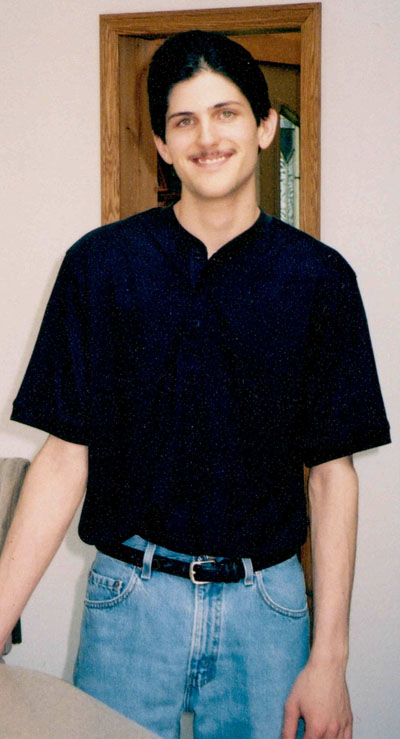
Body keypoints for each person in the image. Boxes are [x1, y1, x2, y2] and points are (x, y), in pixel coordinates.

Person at [1, 30, 390, 739]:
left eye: (226, 113)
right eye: (184, 120)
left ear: (266, 126)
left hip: (268, 612)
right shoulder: (101, 266)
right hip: (130, 601)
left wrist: (330, 658)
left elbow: (333, 477)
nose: (206, 137)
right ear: (161, 142)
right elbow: (64, 456)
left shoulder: (320, 281)